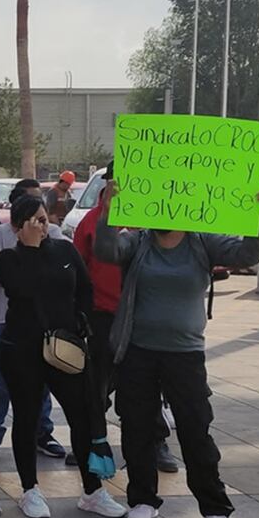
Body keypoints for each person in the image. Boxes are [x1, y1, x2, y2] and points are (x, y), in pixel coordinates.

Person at [94, 179, 259, 518]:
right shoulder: (139, 241)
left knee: (195, 430)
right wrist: (109, 213)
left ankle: (215, 509)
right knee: (137, 427)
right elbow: (106, 251)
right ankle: (143, 500)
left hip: (185, 355)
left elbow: (246, 255)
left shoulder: (202, 240)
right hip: (138, 352)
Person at [0, 195, 126, 518]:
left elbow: (84, 287)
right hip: (22, 350)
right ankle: (30, 489)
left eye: (44, 218)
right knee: (27, 418)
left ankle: (92, 490)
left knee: (82, 415)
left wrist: (78, 319)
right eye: (34, 221)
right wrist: (28, 247)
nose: (43, 225)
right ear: (17, 227)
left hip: (65, 348)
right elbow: (22, 289)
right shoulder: (8, 259)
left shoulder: (65, 250)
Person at [72, 162, 177, 474]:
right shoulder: (90, 222)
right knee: (96, 387)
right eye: (115, 179)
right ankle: (91, 441)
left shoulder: (150, 226)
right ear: (107, 182)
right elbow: (78, 269)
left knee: (149, 385)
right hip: (101, 318)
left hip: (142, 320)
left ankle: (157, 443)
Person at [0, 182, 65, 462]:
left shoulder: (54, 234)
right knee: (3, 382)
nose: (39, 221)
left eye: (41, 214)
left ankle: (43, 433)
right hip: (7, 319)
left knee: (43, 382)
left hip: (45, 322)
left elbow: (62, 273)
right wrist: (26, 250)